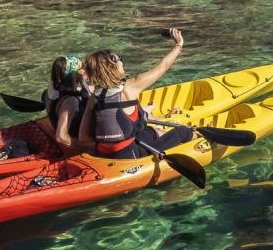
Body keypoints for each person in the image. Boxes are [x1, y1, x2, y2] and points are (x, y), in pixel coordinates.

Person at [77, 29, 194, 159]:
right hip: (129, 155)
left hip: (103, 152)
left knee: (150, 132)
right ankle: (201, 140)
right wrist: (178, 44)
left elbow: (83, 137)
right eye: (119, 59)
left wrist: (111, 139)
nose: (122, 62)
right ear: (112, 66)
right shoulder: (129, 87)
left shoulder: (95, 96)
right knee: (183, 131)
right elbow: (163, 66)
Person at [41, 55, 89, 152]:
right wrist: (87, 150)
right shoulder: (71, 102)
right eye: (83, 68)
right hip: (76, 139)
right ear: (75, 75)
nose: (86, 70)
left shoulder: (54, 86)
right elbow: (61, 137)